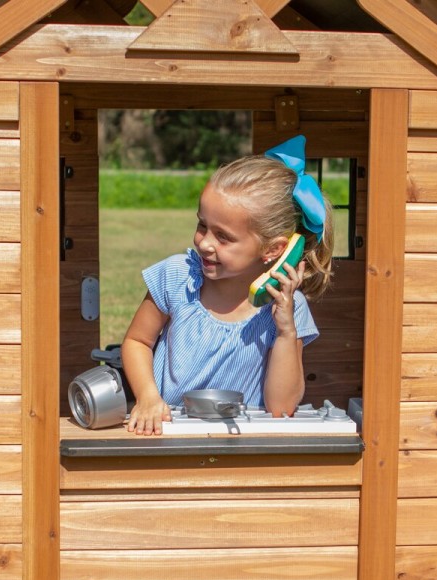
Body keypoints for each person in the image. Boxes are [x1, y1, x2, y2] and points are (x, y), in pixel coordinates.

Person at [121, 134, 333, 435]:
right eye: (201, 225)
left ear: (273, 250)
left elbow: (281, 407)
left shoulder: (288, 307)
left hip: (242, 448)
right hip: (167, 436)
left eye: (223, 237)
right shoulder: (178, 276)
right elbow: (137, 342)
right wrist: (147, 397)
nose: (205, 243)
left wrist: (285, 331)